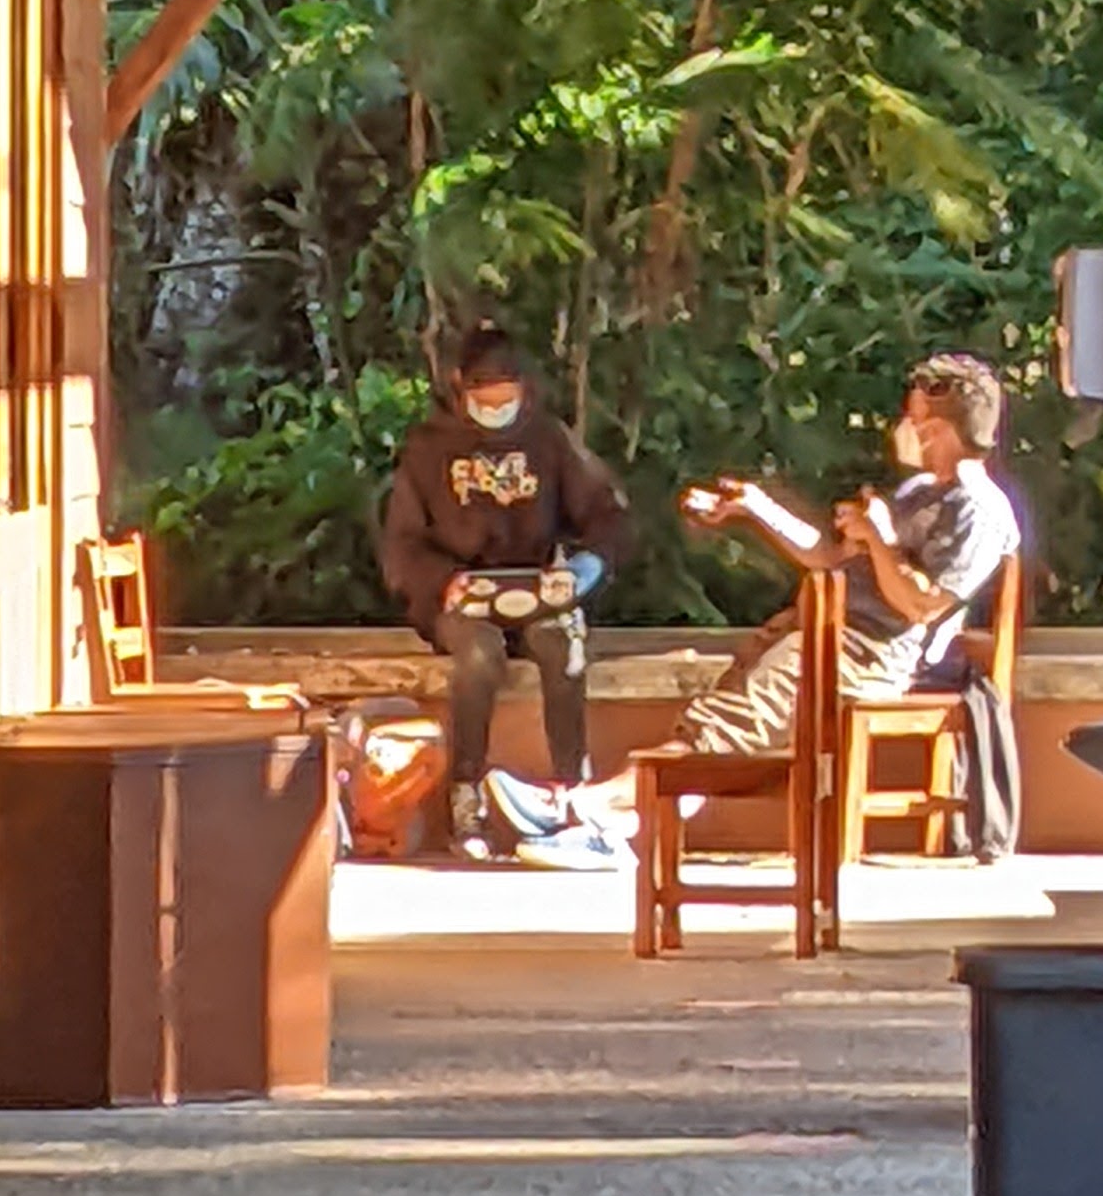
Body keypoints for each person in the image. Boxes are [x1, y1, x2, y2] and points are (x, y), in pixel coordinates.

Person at [488, 351, 1020, 865]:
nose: (906, 428)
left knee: (726, 727)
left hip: (869, 654)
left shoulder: (979, 510)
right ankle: (614, 828)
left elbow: (922, 605)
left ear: (939, 429)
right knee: (716, 722)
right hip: (821, 630)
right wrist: (754, 508)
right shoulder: (920, 490)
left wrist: (879, 538)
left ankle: (578, 806)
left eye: (916, 420)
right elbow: (827, 556)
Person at [379, 324, 632, 856]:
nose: (496, 409)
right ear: (459, 387)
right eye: (485, 399)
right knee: (478, 656)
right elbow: (402, 543)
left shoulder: (548, 441)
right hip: (460, 597)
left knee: (562, 649)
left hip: (536, 589)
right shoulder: (428, 450)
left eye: (506, 398)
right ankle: (466, 793)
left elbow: (606, 515)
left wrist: (582, 571)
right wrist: (442, 582)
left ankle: (575, 794)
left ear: (525, 390)